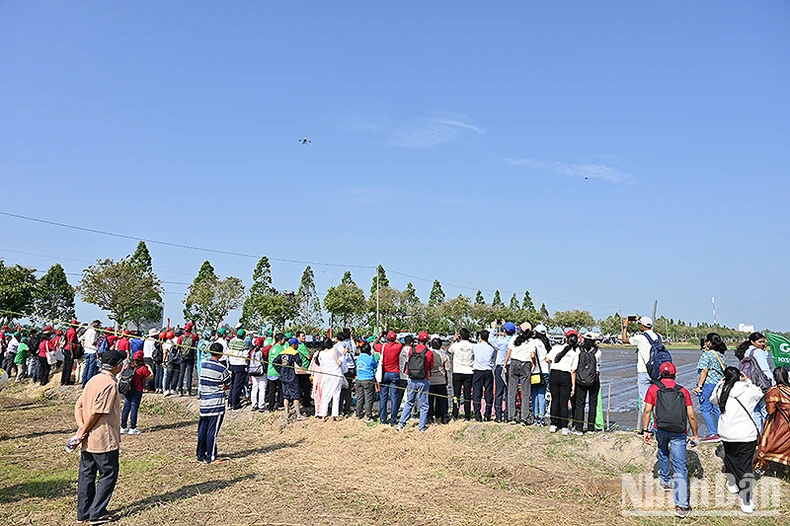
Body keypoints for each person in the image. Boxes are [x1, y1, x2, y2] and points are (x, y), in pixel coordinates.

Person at [73, 349, 125, 525]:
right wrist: (84, 429)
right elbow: (97, 412)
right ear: (118, 366)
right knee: (108, 473)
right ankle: (97, 512)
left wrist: (81, 429)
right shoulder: (110, 384)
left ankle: (84, 512)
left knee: (87, 474)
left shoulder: (93, 379)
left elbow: (78, 405)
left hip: (88, 439)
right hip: (103, 437)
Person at [642, 362, 699, 519]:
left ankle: (665, 480)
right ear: (675, 374)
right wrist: (695, 434)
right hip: (679, 431)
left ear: (660, 374)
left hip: (660, 428)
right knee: (680, 466)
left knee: (662, 451)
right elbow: (691, 415)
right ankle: (681, 506)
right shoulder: (683, 391)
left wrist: (646, 430)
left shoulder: (654, 389)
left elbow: (647, 410)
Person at [710, 366, 765, 514]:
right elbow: (759, 393)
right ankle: (746, 500)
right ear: (740, 375)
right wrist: (747, 381)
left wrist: (720, 383)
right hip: (746, 434)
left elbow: (712, 399)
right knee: (745, 466)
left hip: (727, 434)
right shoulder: (748, 390)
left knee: (730, 458)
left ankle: (733, 484)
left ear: (725, 378)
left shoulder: (722, 390)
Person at [622, 316, 661, 433]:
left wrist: (625, 326)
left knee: (645, 401)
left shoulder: (640, 338)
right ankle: (657, 427)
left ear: (642, 326)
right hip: (657, 372)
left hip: (644, 372)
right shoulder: (658, 337)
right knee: (657, 399)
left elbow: (625, 340)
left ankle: (646, 429)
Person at [197, 342, 232, 464]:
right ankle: (211, 457)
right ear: (221, 354)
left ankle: (200, 454)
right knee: (213, 431)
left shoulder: (203, 364)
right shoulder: (223, 369)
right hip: (216, 403)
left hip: (204, 401)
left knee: (202, 429)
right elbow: (228, 385)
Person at [693, 333, 728, 443]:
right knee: (717, 408)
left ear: (709, 342)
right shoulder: (720, 354)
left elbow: (704, 370)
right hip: (718, 385)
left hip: (707, 385)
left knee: (705, 409)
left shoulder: (707, 355)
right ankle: (719, 432)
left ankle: (713, 433)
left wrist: (699, 386)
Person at [735, 332, 773, 432]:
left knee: (755, 410)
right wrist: (772, 382)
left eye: (763, 342)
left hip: (749, 384)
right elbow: (764, 369)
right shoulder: (757, 352)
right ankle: (766, 435)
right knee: (765, 410)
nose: (762, 344)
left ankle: (757, 435)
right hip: (761, 385)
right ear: (752, 341)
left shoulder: (746, 351)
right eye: (760, 342)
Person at [755, 367, 790, 476]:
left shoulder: (774, 391)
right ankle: (786, 468)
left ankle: (764, 466)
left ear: (774, 378)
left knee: (770, 444)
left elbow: (770, 410)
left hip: (780, 423)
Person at [397, 331, 434, 431]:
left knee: (409, 402)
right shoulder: (429, 353)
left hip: (412, 379)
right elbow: (431, 366)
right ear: (427, 341)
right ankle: (421, 426)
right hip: (423, 379)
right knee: (424, 405)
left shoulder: (411, 350)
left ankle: (401, 424)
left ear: (418, 339)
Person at [503, 324, 540, 425]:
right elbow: (532, 354)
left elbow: (508, 352)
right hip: (525, 364)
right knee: (525, 392)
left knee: (512, 391)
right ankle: (524, 417)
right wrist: (534, 363)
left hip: (514, 363)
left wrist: (505, 364)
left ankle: (512, 417)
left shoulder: (514, 338)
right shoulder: (531, 341)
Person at [546, 331, 580, 435]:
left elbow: (547, 359)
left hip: (554, 375)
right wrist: (573, 386)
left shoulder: (556, 348)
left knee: (554, 400)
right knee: (564, 402)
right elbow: (573, 371)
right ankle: (564, 426)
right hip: (566, 376)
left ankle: (553, 424)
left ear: (566, 339)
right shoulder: (575, 353)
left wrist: (554, 362)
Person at [572, 332, 602, 435]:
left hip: (580, 379)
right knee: (592, 403)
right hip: (594, 379)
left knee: (580, 404)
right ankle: (590, 428)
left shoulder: (578, 350)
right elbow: (598, 365)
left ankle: (579, 428)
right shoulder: (598, 352)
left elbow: (575, 365)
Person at [273, 338, 307, 421]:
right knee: (296, 396)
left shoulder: (282, 352)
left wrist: (280, 371)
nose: (297, 346)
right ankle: (298, 415)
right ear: (293, 345)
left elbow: (274, 362)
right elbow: (299, 363)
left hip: (283, 377)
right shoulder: (295, 353)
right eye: (297, 344)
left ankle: (287, 413)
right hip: (292, 377)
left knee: (286, 396)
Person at [374, 331, 403, 426]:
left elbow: (374, 345)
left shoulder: (383, 347)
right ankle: (393, 420)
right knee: (394, 398)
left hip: (385, 373)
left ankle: (383, 419)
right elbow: (400, 343)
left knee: (383, 397)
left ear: (386, 338)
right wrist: (394, 338)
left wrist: (380, 336)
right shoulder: (398, 347)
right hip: (394, 373)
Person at [121, 351, 151, 435]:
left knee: (126, 408)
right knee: (134, 408)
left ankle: (123, 427)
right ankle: (133, 428)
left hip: (127, 389)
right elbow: (150, 376)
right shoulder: (143, 368)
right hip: (137, 390)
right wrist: (149, 367)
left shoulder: (128, 365)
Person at [490, 321, 515, 422]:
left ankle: (498, 415)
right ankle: (508, 415)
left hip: (501, 367)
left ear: (504, 331)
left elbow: (490, 339)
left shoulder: (501, 342)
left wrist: (494, 328)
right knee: (510, 392)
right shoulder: (515, 341)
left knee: (499, 392)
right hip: (512, 367)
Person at [449, 328, 474, 421]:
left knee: (456, 394)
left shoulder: (456, 345)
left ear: (460, 336)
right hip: (469, 372)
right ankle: (467, 416)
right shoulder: (472, 346)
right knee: (467, 395)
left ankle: (455, 414)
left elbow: (449, 350)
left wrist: (454, 339)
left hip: (457, 372)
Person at [471, 330, 496, 422]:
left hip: (478, 372)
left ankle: (478, 415)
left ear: (480, 337)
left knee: (477, 393)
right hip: (488, 371)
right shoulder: (491, 348)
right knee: (488, 393)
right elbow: (492, 357)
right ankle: (487, 414)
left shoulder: (475, 346)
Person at [317, 338, 344, 421]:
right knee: (336, 395)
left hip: (326, 375)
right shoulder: (333, 350)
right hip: (336, 374)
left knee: (325, 396)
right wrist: (343, 355)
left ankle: (323, 415)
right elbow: (338, 363)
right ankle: (334, 415)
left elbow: (321, 365)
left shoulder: (320, 353)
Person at [427, 338, 451, 424]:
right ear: (440, 346)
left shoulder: (428, 354)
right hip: (441, 380)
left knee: (430, 400)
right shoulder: (444, 355)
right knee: (442, 400)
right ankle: (443, 416)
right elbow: (447, 369)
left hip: (430, 380)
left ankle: (429, 417)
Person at [531, 324, 551, 426]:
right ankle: (542, 418)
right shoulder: (547, 342)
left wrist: (533, 364)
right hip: (546, 372)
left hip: (535, 372)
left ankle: (535, 418)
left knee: (534, 395)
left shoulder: (534, 342)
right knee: (542, 395)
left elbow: (532, 355)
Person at [226, 328, 250, 410]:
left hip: (232, 365)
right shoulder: (244, 345)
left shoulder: (232, 343)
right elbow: (246, 357)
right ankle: (235, 404)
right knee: (238, 385)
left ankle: (230, 401)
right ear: (244, 336)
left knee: (233, 384)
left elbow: (228, 354)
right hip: (240, 366)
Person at [355, 342, 378, 421]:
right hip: (368, 380)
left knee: (359, 398)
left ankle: (358, 414)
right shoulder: (370, 358)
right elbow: (375, 365)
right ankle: (368, 416)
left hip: (359, 380)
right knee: (368, 399)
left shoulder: (358, 358)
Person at [177, 323, 199, 396]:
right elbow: (197, 339)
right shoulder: (193, 336)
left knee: (181, 373)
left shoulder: (181, 337)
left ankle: (180, 390)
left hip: (182, 357)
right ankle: (189, 391)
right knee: (189, 374)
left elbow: (177, 347)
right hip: (190, 357)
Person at [266, 333, 286, 412]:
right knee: (281, 389)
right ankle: (280, 404)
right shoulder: (281, 349)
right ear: (280, 340)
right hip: (277, 373)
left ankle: (271, 407)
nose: (284, 340)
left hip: (270, 372)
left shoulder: (272, 348)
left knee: (272, 391)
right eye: (283, 339)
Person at [248, 338, 267, 412]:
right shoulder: (263, 351)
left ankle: (254, 405)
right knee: (262, 389)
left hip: (253, 371)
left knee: (254, 388)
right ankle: (261, 406)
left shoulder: (252, 351)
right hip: (262, 372)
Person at [81, 320, 101, 387]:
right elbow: (93, 342)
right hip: (92, 351)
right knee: (91, 368)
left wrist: (85, 345)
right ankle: (88, 382)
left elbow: (82, 338)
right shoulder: (94, 332)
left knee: (86, 367)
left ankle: (84, 382)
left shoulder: (88, 330)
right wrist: (96, 344)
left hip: (86, 350)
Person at [62, 319, 80, 386]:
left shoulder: (69, 330)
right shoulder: (73, 332)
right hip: (70, 350)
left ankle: (63, 380)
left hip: (66, 348)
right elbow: (71, 343)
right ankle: (67, 381)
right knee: (69, 366)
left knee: (65, 365)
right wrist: (72, 354)